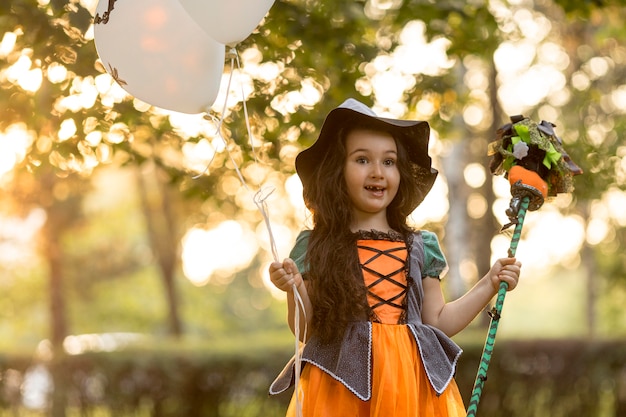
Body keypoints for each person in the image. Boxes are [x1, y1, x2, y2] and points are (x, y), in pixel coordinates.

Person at [268, 98, 522, 416]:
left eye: (388, 162)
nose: (377, 172)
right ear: (337, 170)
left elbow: (438, 321)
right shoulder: (316, 245)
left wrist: (490, 282)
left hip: (410, 387)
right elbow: (306, 332)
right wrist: (294, 288)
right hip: (339, 387)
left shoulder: (421, 246)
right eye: (362, 160)